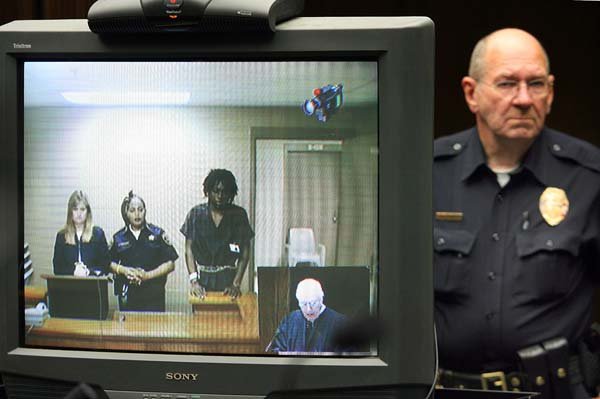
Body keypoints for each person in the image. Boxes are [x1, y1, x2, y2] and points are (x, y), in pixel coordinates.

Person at [434, 28, 600, 398]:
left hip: (554, 390)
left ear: (551, 92)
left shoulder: (588, 177)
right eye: (507, 83)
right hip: (445, 388)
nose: (524, 99)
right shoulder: (427, 172)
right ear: (471, 93)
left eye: (536, 84)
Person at [181, 169, 254, 299]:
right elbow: (189, 250)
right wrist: (194, 281)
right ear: (208, 191)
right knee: (201, 317)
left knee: (228, 317)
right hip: (203, 279)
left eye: (224, 192)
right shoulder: (196, 214)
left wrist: (236, 284)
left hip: (228, 280)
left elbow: (245, 252)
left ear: (231, 193)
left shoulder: (239, 215)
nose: (220, 196)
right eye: (216, 191)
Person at [110, 191, 178, 311]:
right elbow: (108, 263)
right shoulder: (118, 237)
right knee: (129, 328)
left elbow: (170, 264)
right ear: (126, 213)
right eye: (132, 210)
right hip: (128, 295)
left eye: (140, 209)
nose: (137, 214)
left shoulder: (157, 234)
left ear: (145, 211)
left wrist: (147, 276)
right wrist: (124, 271)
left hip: (153, 296)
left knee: (154, 328)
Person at [266, 278, 348, 353]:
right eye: (303, 304)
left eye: (313, 303)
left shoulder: (340, 323)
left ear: (321, 299)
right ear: (298, 302)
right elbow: (273, 351)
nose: (309, 309)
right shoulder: (290, 321)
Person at [52, 190, 110, 277]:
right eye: (75, 209)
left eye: (82, 209)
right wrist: (73, 271)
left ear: (88, 212)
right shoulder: (61, 236)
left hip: (92, 286)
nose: (79, 214)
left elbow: (105, 266)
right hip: (68, 287)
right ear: (70, 212)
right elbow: (57, 268)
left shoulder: (98, 234)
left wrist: (88, 272)